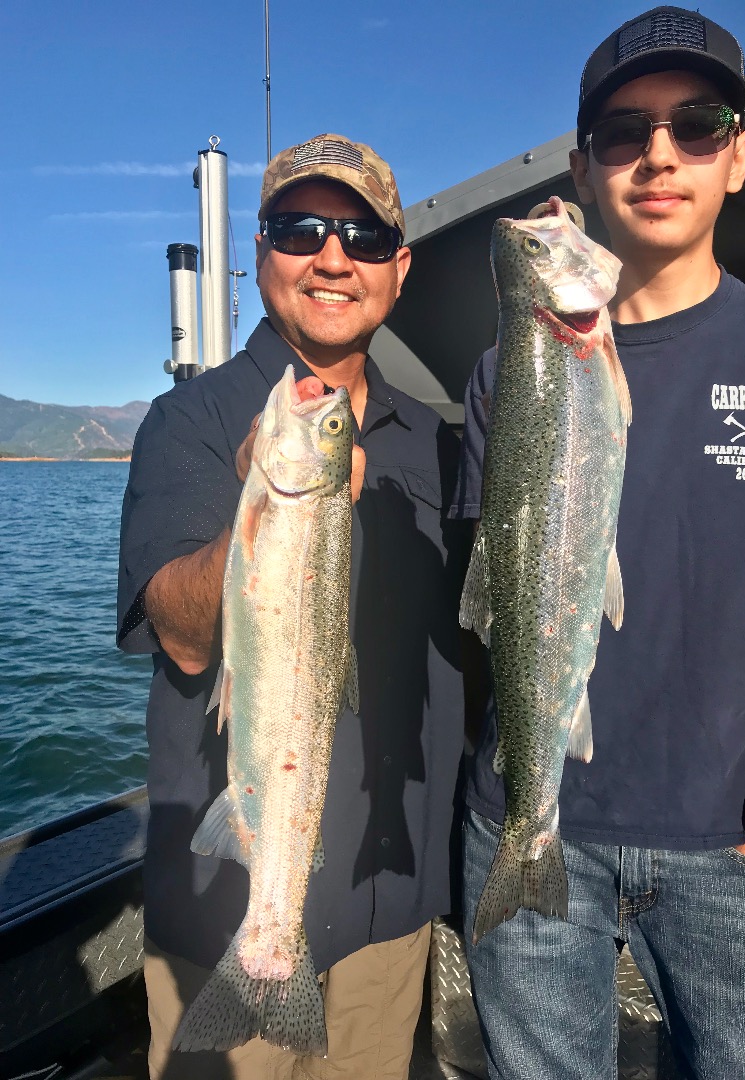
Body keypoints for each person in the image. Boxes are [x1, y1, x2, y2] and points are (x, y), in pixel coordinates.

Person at [451, 8, 745, 1078]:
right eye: (622, 132)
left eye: (695, 125)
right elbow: (497, 589)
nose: (658, 153)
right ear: (582, 163)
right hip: (527, 809)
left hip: (727, 837)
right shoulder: (507, 365)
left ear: (739, 156)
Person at [117, 133, 466, 1080]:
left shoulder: (442, 445)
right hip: (224, 920)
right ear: (261, 252)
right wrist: (266, 512)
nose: (331, 256)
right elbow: (186, 639)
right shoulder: (188, 424)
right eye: (299, 228)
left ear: (399, 266)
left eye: (361, 234)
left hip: (386, 915)